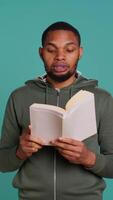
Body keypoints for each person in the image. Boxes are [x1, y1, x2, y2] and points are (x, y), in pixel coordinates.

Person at [0, 21, 113, 200]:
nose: (60, 56)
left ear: (80, 53)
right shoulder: (19, 97)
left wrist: (88, 158)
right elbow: (2, 163)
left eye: (69, 50)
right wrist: (19, 152)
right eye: (51, 50)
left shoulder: (101, 99)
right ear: (41, 53)